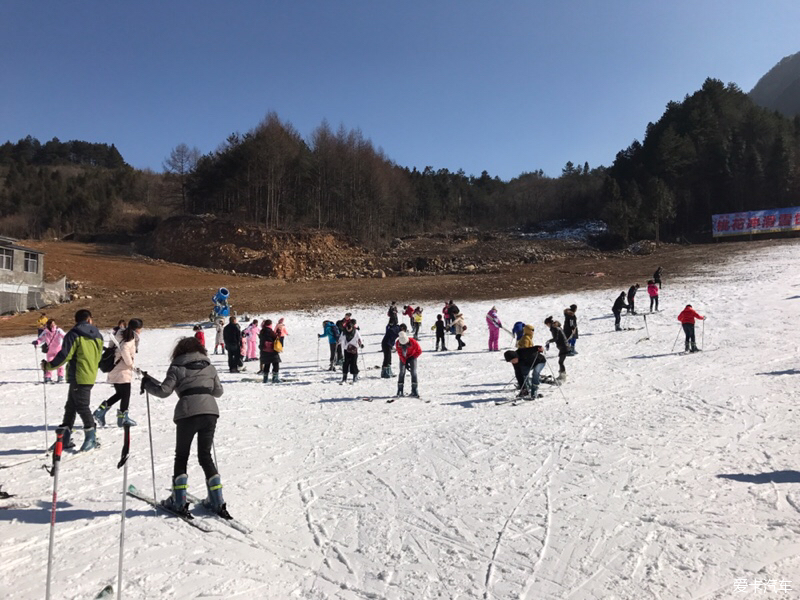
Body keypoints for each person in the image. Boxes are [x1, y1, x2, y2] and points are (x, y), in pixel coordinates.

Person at [140, 336, 231, 519]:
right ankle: (217, 499)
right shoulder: (209, 366)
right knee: (205, 455)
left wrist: (148, 384)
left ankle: (179, 500)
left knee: (182, 456)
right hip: (210, 412)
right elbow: (218, 391)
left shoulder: (177, 367)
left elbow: (164, 391)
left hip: (187, 412)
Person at [42, 309, 104, 452]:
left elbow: (64, 355)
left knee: (82, 406)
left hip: (78, 375)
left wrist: (48, 366)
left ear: (76, 320)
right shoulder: (98, 335)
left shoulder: (74, 334)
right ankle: (64, 437)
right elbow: (98, 356)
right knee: (70, 406)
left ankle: (91, 437)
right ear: (89, 319)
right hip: (89, 375)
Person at [93, 318, 143, 427]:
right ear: (138, 329)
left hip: (114, 367)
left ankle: (101, 411)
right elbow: (125, 349)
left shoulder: (119, 333)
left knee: (120, 394)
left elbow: (111, 345)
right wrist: (132, 365)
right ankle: (123, 418)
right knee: (126, 394)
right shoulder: (130, 337)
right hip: (122, 370)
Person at [34, 319, 66, 383]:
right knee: (49, 364)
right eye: (51, 324)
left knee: (59, 364)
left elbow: (65, 336)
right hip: (50, 351)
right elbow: (41, 338)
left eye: (53, 324)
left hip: (58, 350)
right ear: (48, 325)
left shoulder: (58, 331)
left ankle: (60, 376)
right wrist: (37, 342)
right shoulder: (46, 332)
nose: (52, 325)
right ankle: (48, 377)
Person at [395, 330, 422, 397]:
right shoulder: (397, 343)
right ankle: (400, 390)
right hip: (403, 358)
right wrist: (405, 362)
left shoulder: (413, 341)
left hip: (412, 357)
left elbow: (419, 351)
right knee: (402, 372)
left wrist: (412, 358)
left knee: (413, 372)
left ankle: (414, 389)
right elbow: (400, 354)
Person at [544, 316, 569, 381]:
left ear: (548, 323)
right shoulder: (557, 327)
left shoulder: (554, 328)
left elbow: (555, 338)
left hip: (564, 346)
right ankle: (562, 375)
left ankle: (563, 377)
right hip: (564, 346)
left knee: (561, 362)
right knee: (561, 362)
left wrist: (549, 341)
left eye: (547, 325)